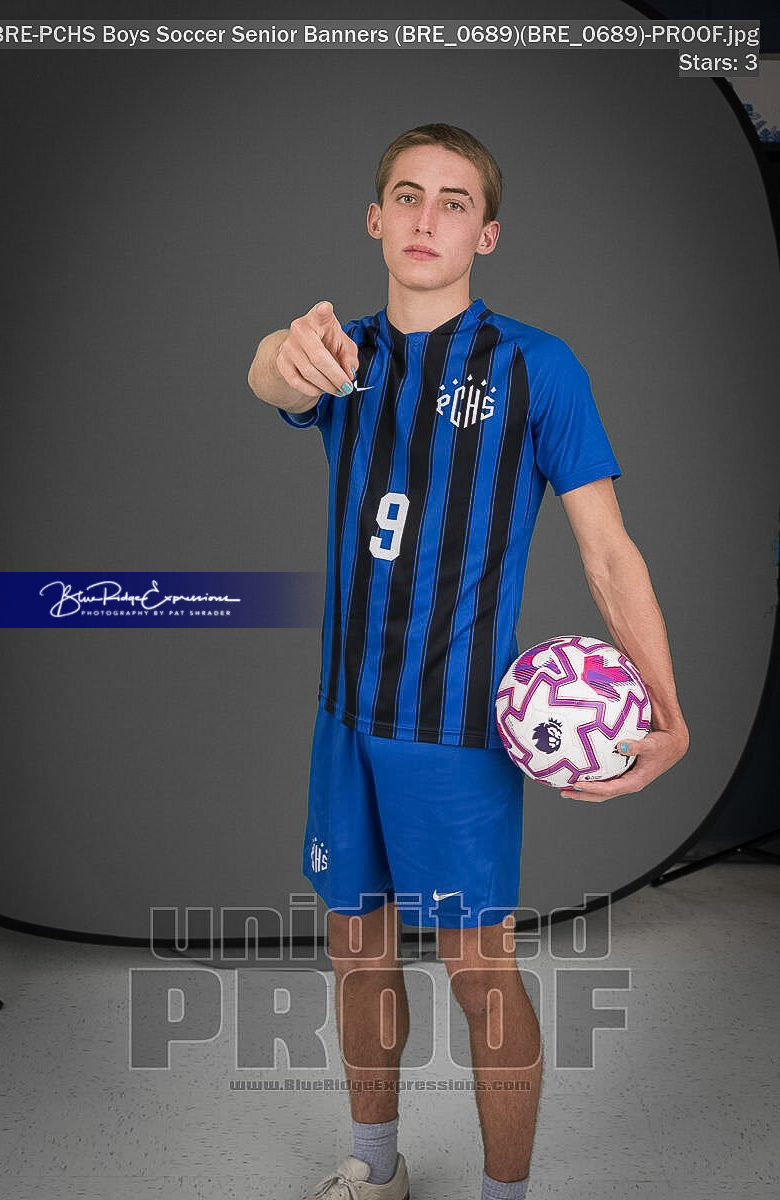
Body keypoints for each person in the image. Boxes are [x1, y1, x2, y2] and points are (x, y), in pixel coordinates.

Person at [247, 123, 690, 1200]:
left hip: (454, 727)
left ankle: (503, 1196)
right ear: (375, 219)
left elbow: (607, 552)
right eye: (406, 195)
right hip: (342, 717)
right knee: (358, 954)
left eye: (454, 202)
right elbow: (272, 378)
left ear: (484, 235)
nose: (426, 218)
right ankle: (375, 1169)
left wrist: (667, 710)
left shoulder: (538, 367)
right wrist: (277, 355)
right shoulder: (341, 354)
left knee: (477, 971)